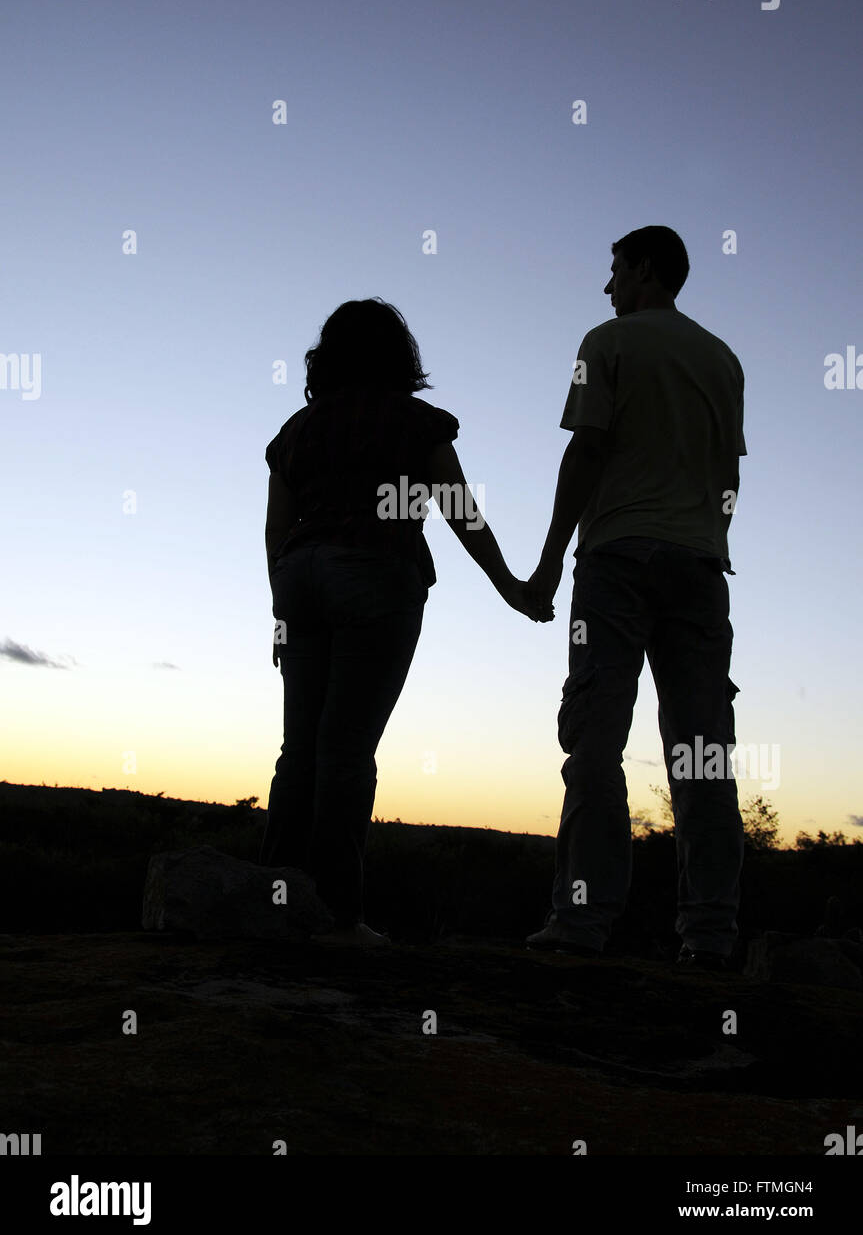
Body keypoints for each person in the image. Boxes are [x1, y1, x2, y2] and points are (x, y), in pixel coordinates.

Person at [260, 298, 551, 947]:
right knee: (344, 750)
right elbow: (458, 510)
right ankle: (336, 916)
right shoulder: (414, 424)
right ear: (401, 357)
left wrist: (280, 615)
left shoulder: (297, 430)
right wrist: (509, 585)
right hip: (374, 575)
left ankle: (274, 900)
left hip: (301, 578)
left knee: (299, 750)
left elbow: (277, 531)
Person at [525, 226, 747, 971]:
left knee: (595, 739)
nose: (606, 285)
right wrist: (706, 543)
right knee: (703, 753)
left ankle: (581, 926)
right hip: (699, 567)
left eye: (614, 269)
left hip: (615, 556)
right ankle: (710, 934)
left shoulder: (605, 341)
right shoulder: (723, 360)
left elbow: (586, 447)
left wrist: (552, 558)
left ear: (645, 270)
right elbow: (727, 475)